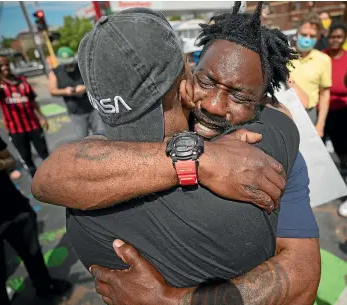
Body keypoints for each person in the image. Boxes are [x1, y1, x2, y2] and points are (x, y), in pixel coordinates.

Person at [32, 4, 320, 303]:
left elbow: (303, 278)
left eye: (239, 96)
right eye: (206, 81)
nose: (213, 105)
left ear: (263, 101)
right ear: (188, 71)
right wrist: (197, 157)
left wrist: (173, 300)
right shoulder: (138, 129)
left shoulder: (267, 156)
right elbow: (47, 180)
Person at [0, 122, 71, 305]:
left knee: (33, 254)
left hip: (13, 207)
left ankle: (45, 287)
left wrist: (0, 164)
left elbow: (9, 159)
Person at [0, 56, 49, 177]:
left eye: (6, 64)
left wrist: (42, 117)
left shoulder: (22, 81)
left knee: (44, 154)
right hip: (16, 130)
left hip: (33, 125)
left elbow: (32, 100)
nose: (5, 67)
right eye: (1, 65)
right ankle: (36, 181)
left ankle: (52, 177)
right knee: (26, 158)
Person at [289, 13, 332, 137]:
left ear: (318, 38)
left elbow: (324, 94)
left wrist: (320, 124)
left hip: (308, 113)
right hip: (283, 111)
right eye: (303, 34)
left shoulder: (324, 60)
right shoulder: (284, 55)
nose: (307, 38)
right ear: (297, 33)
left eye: (312, 36)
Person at [49, 46, 105, 139]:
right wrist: (65, 91)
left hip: (92, 108)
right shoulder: (55, 72)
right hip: (76, 112)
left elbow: (96, 81)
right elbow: (52, 90)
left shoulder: (81, 66)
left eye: (70, 62)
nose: (68, 65)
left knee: (101, 135)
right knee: (83, 139)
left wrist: (84, 87)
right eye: (66, 63)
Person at [322, 23, 347, 217]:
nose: (336, 40)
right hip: (323, 112)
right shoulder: (322, 57)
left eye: (339, 37)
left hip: (343, 114)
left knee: (343, 155)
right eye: (333, 36)